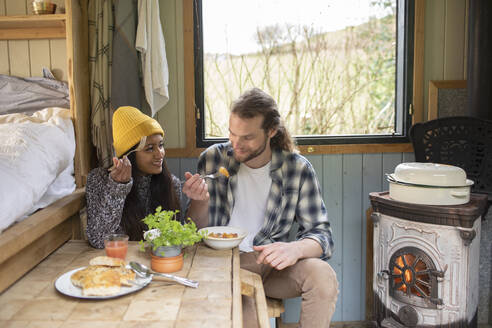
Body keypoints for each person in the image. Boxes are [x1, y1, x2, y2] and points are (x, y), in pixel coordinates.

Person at [183, 88, 338, 327]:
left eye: (247, 137)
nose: (236, 144)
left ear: (271, 131)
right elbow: (194, 230)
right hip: (223, 264)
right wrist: (199, 200)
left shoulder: (297, 169)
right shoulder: (213, 159)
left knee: (323, 276)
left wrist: (295, 249)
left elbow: (322, 235)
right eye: (232, 134)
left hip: (271, 265)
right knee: (247, 310)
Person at [86, 106, 208, 248]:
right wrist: (117, 189)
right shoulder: (98, 180)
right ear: (128, 155)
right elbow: (99, 240)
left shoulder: (171, 183)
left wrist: (200, 201)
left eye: (161, 145)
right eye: (150, 148)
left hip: (160, 262)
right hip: (117, 264)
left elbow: (180, 236)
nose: (160, 153)